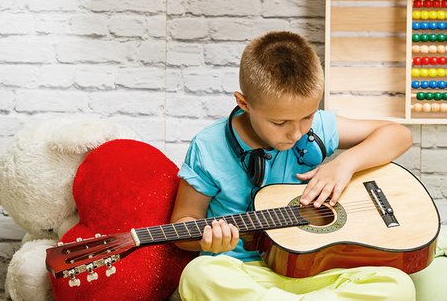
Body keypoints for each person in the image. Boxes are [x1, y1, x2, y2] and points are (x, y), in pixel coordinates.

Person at [171, 31, 416, 301]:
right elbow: (183, 224)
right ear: (244, 103)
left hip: (318, 270)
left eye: (307, 116)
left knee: (398, 284)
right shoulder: (208, 146)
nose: (297, 133)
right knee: (199, 274)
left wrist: (344, 164)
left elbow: (398, 135)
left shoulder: (320, 127)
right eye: (279, 123)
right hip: (245, 271)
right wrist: (209, 240)